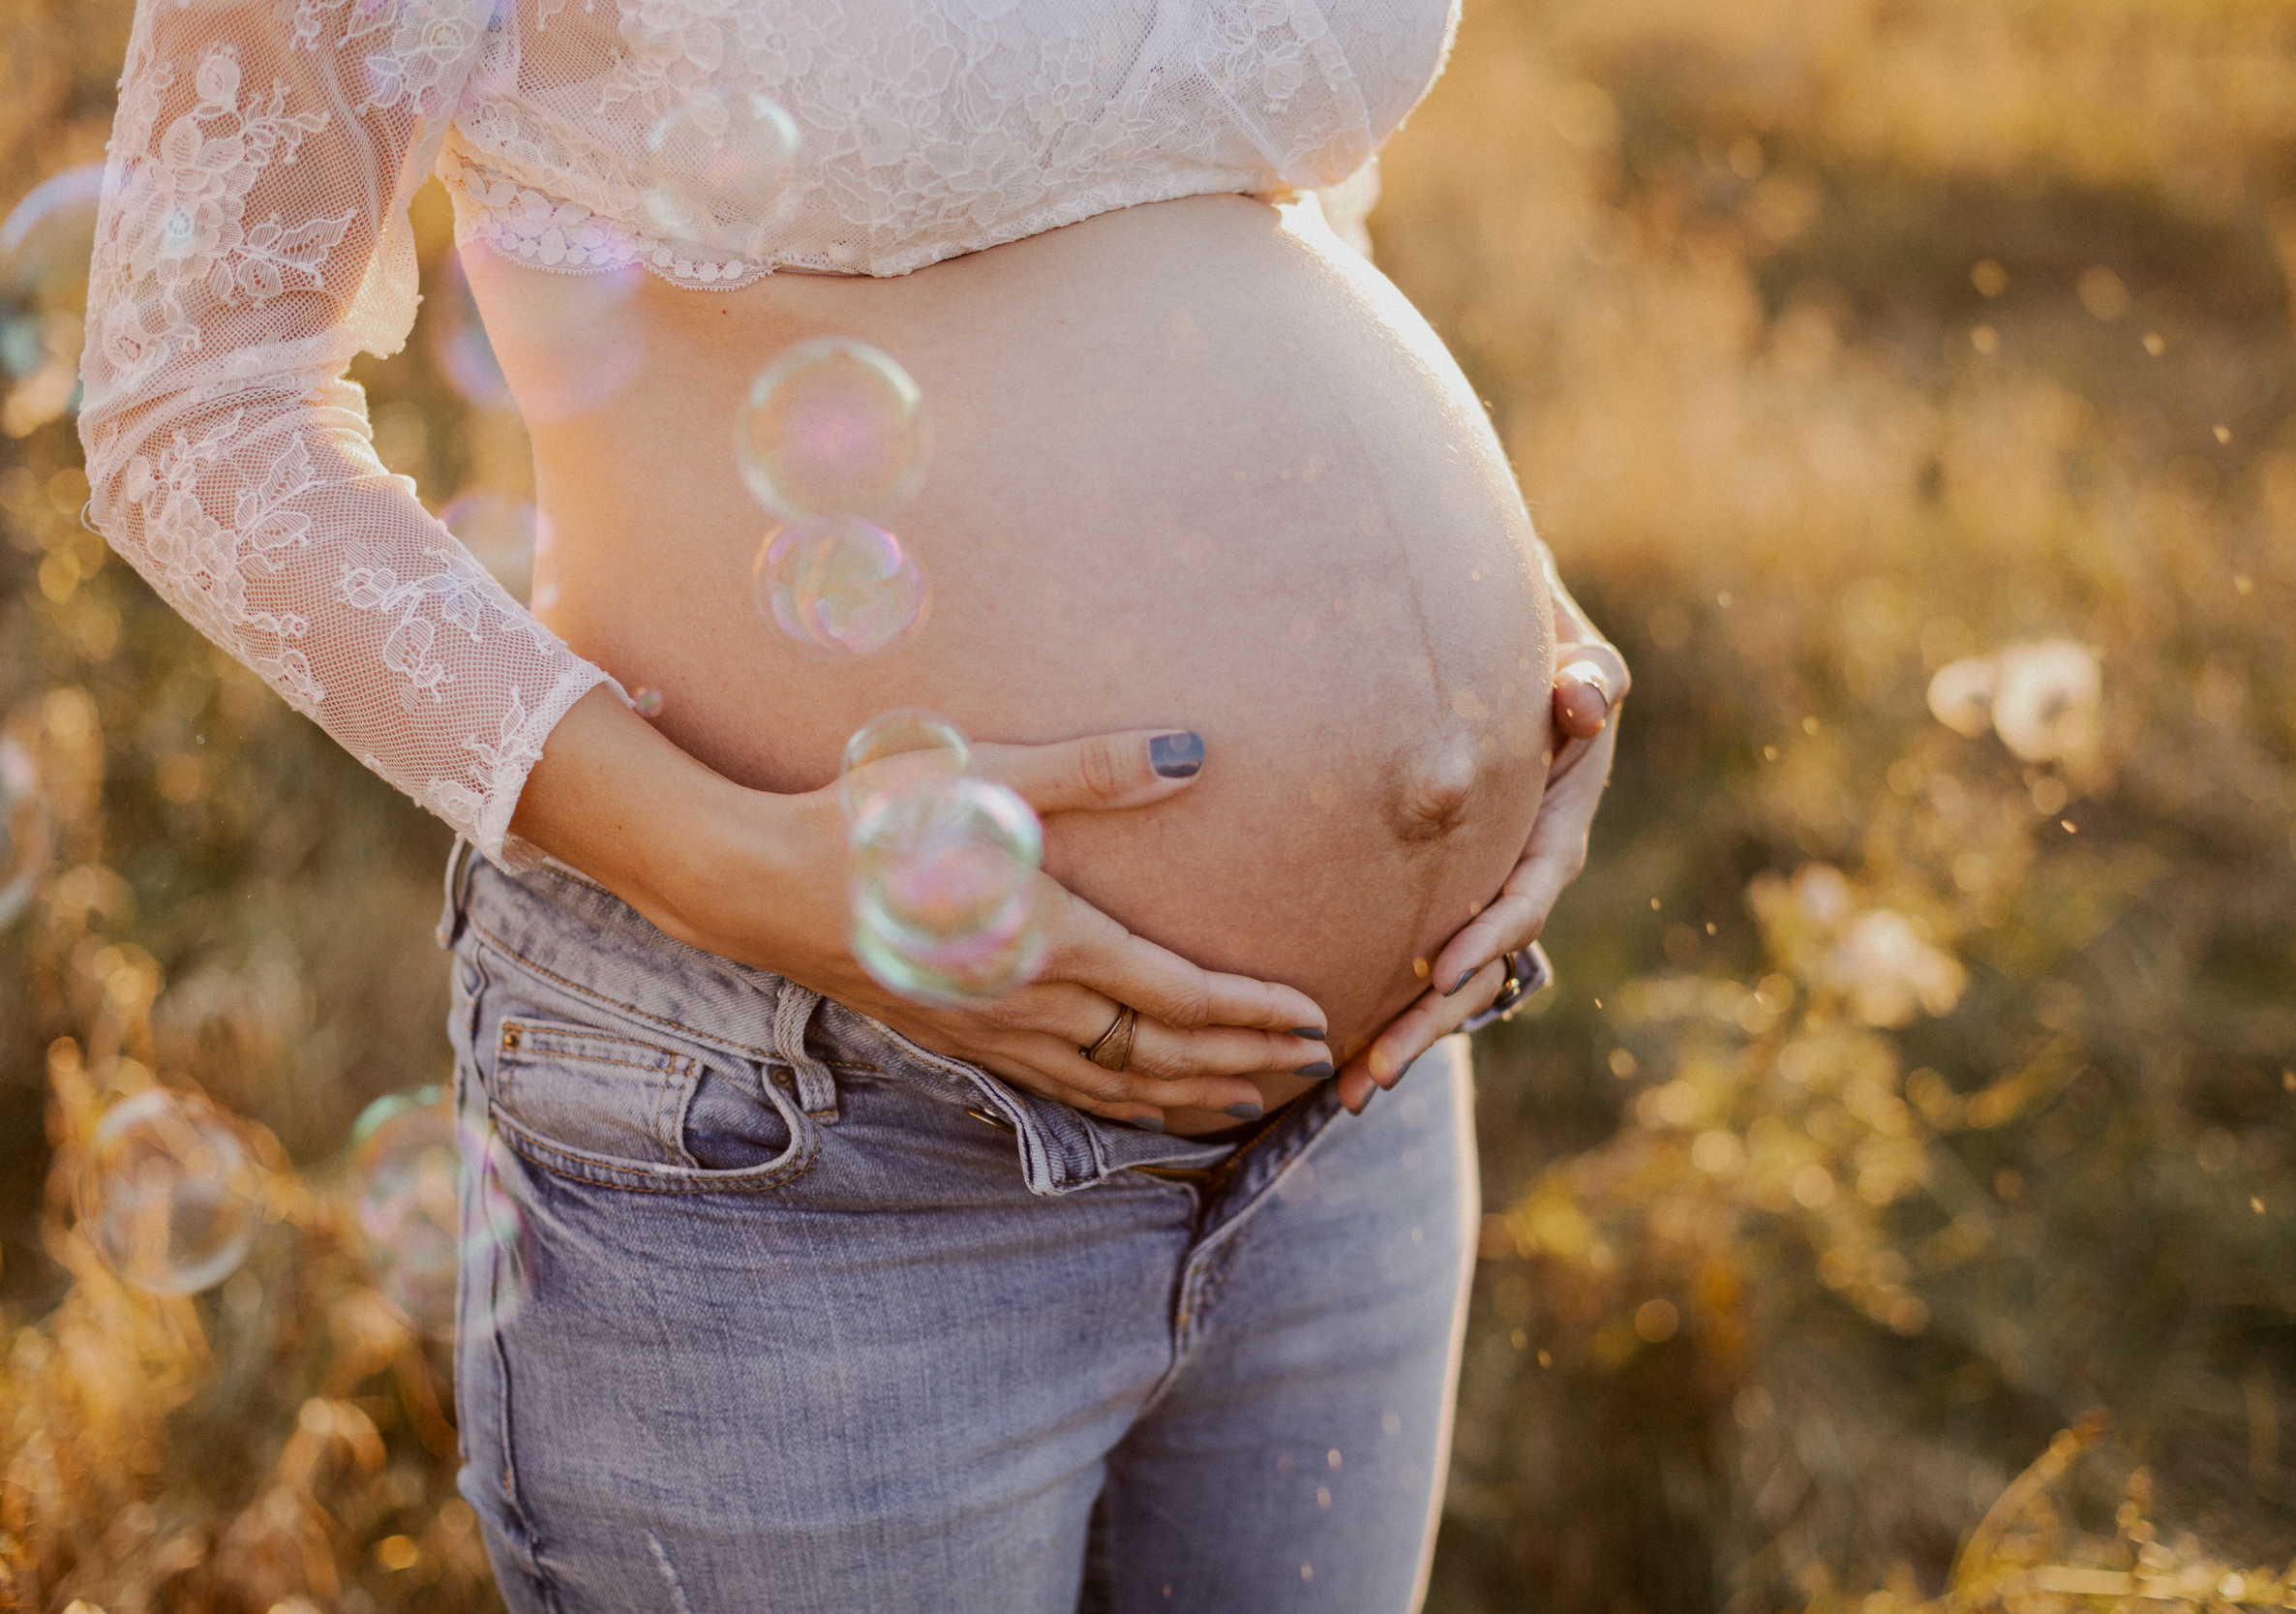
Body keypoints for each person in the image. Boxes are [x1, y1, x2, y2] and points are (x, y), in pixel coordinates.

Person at [77, 0, 1628, 1603]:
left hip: (1352, 1123)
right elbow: (193, 400)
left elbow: (1259, 194)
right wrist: (728, 863)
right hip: (814, 1144)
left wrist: (1516, 633)